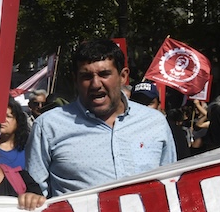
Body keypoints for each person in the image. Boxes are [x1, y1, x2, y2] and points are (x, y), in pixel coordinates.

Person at [27, 39, 176, 197]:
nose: (95, 84)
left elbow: (172, 186)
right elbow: (35, 196)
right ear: (75, 80)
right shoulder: (48, 126)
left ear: (123, 76)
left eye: (104, 74)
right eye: (86, 76)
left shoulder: (155, 122)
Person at [0, 96, 31, 170]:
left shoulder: (28, 147)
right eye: (1, 115)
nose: (3, 119)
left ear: (18, 121)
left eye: (8, 116)